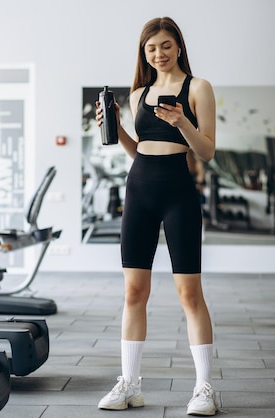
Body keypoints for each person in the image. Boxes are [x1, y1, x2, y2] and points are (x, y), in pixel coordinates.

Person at [95, 17, 218, 416]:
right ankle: (130, 384)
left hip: (178, 193)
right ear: (143, 52)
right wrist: (115, 127)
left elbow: (207, 151)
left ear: (178, 46)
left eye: (165, 45)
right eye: (151, 48)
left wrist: (183, 121)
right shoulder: (138, 95)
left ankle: (204, 388)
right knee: (134, 292)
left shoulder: (198, 89)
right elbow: (139, 150)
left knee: (189, 293)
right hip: (140, 189)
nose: (158, 54)